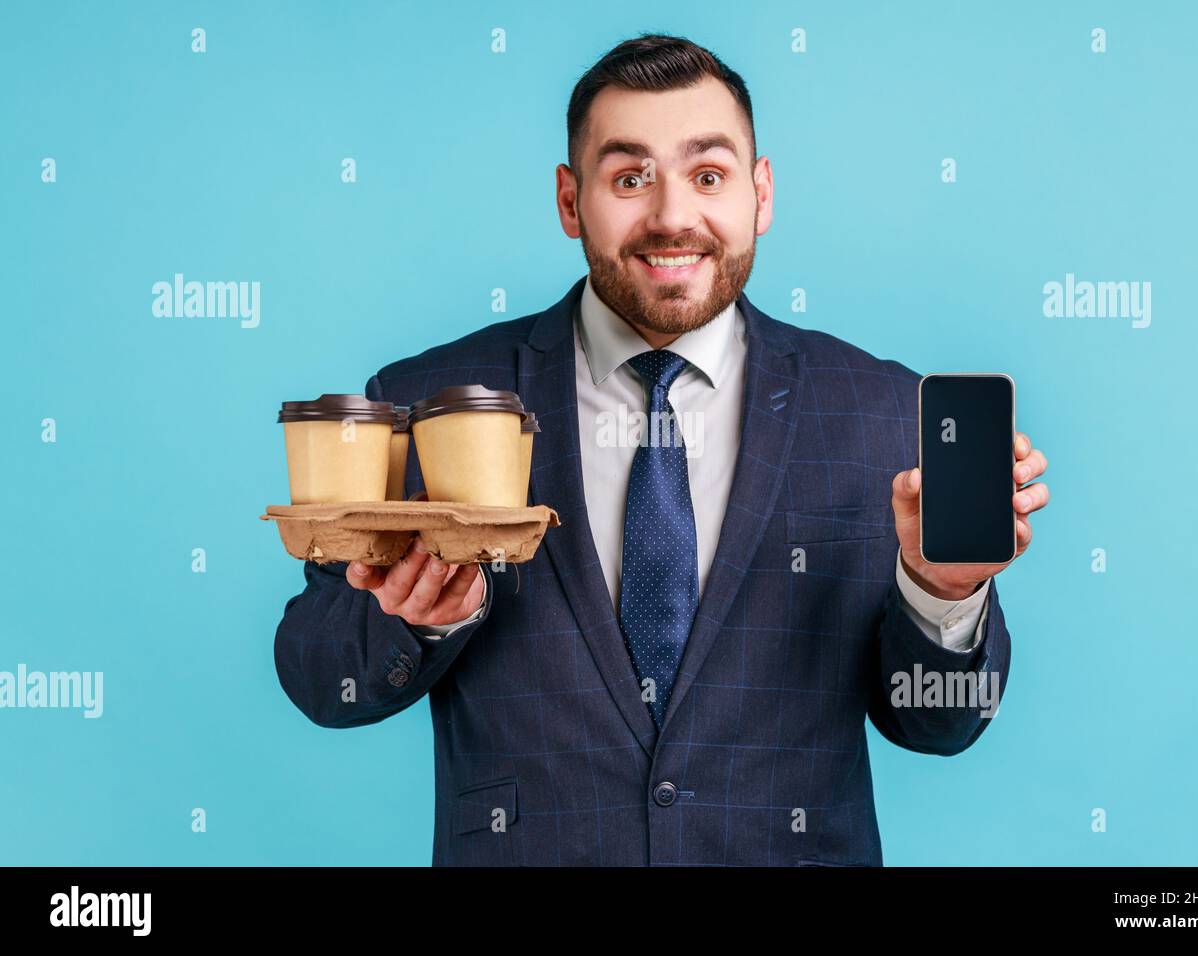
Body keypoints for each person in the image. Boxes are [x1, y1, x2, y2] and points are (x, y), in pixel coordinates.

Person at [274, 33, 1050, 866]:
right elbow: (323, 680)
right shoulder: (432, 399)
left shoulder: (880, 410)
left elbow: (940, 726)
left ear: (761, 193)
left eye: (708, 176)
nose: (672, 215)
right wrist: (422, 625)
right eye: (630, 177)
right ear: (571, 201)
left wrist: (943, 592)